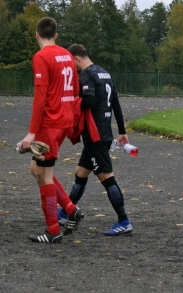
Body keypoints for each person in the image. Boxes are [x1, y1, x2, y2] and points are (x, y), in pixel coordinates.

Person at [19, 17, 84, 243]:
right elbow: (76, 89)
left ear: (36, 34)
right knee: (37, 170)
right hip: (64, 121)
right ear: (55, 35)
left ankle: (53, 231)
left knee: (44, 175)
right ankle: (70, 209)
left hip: (50, 122)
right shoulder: (67, 55)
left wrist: (31, 133)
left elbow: (41, 97)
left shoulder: (41, 57)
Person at [58, 43, 132, 236]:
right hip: (103, 132)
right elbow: (115, 102)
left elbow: (89, 100)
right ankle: (67, 211)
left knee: (105, 176)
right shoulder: (104, 73)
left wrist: (71, 104)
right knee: (81, 172)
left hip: (95, 135)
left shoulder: (86, 75)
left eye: (70, 62)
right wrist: (122, 131)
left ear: (75, 58)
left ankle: (124, 220)